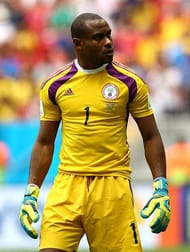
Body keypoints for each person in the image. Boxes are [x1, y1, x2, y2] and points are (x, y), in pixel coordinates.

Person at [19, 13, 171, 252]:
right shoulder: (54, 85)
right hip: (66, 185)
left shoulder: (129, 83)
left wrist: (160, 185)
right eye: (99, 37)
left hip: (112, 186)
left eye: (109, 35)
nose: (109, 42)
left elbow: (151, 136)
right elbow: (44, 142)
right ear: (78, 43)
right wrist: (31, 192)